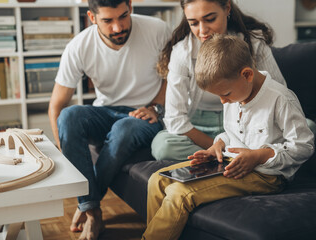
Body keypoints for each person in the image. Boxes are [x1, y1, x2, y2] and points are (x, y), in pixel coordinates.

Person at [142, 34, 315, 240]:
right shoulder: (236, 94)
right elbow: (232, 133)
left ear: (247, 74)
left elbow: (304, 146)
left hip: (266, 175)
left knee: (180, 194)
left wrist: (259, 155)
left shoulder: (281, 99)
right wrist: (218, 145)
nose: (223, 102)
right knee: (158, 179)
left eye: (225, 94)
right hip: (229, 162)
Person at [48, 0, 171, 239]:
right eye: (108, 20)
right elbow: (56, 106)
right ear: (92, 18)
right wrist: (64, 152)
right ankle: (92, 208)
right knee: (69, 116)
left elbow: (175, 77)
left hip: (144, 115)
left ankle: (88, 208)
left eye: (123, 16)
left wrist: (156, 107)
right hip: (105, 111)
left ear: (131, 7)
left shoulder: (158, 29)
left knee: (124, 128)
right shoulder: (79, 45)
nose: (118, 27)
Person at [151, 0, 287, 161]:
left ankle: (238, 159)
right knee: (163, 146)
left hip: (248, 123)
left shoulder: (254, 44)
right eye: (193, 23)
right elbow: (175, 120)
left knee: (307, 128)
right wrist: (217, 148)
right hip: (199, 127)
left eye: (210, 19)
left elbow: (279, 96)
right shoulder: (182, 53)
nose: (202, 31)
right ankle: (231, 159)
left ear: (227, 8)